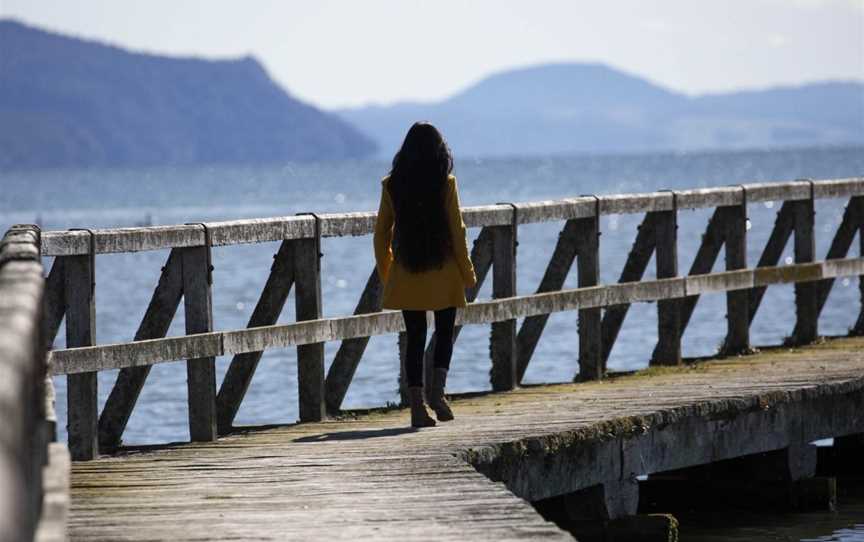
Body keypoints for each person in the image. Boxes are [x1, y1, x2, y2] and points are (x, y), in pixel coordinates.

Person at [373, 122, 477, 428]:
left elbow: (381, 236)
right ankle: (438, 395)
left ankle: (417, 407)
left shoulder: (392, 184)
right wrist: (468, 272)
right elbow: (457, 231)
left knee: (415, 338)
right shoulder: (445, 183)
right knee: (445, 332)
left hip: (407, 271)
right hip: (444, 271)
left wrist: (388, 273)